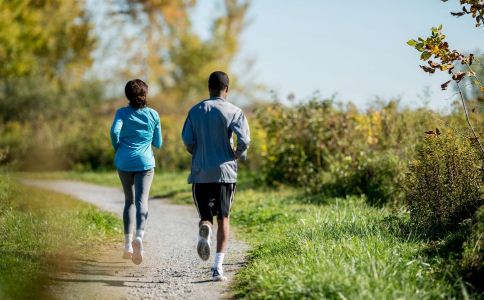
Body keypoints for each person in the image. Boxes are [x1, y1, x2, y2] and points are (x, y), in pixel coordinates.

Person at [181, 71, 250, 281]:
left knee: (206, 216)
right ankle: (217, 268)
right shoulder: (235, 111)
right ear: (227, 89)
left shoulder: (195, 110)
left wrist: (198, 153)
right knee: (224, 217)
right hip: (225, 174)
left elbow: (187, 140)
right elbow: (244, 141)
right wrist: (235, 154)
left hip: (201, 173)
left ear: (208, 87)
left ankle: (205, 228)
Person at [110, 79, 162, 265]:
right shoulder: (153, 114)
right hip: (145, 163)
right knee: (142, 201)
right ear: (145, 95)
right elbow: (158, 143)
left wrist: (119, 148)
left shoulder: (121, 113)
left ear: (127, 96)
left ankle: (127, 246)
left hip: (124, 162)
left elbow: (114, 133)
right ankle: (139, 237)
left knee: (129, 201)